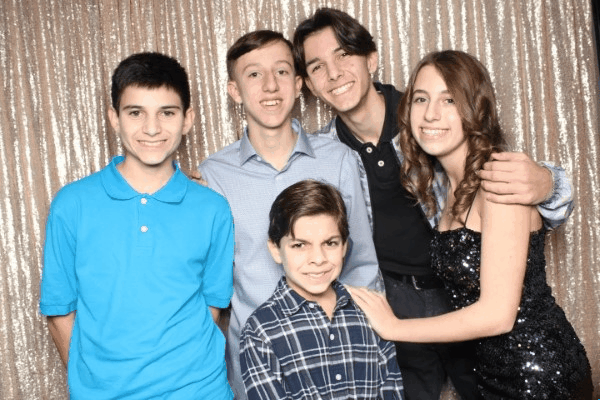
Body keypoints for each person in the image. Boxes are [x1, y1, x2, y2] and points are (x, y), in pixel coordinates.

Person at [293, 8, 574, 400]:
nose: (335, 73)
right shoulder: (322, 154)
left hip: (464, 295)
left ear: (371, 59)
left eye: (343, 55)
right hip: (396, 296)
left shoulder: (428, 119)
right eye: (318, 66)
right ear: (308, 83)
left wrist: (548, 182)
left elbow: (508, 180)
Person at [348, 50, 593, 399]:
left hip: (538, 375)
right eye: (421, 99)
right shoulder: (444, 185)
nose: (431, 114)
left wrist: (394, 327)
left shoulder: (499, 180)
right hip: (490, 372)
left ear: (475, 109)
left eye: (449, 100)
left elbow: (497, 315)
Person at [197, 30, 381, 399]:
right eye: (254, 74)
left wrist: (367, 349)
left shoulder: (339, 159)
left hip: (339, 362)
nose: (270, 86)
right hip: (259, 367)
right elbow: (209, 281)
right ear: (234, 91)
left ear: (298, 85)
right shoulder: (213, 175)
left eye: (281, 72)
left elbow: (362, 264)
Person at [39, 52, 234, 399]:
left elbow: (212, 306)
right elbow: (59, 309)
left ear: (187, 119)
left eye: (167, 112)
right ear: (114, 118)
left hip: (200, 390)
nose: (152, 128)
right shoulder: (72, 204)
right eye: (135, 113)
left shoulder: (213, 208)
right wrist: (94, 385)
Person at [240, 180, 404, 400]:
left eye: (330, 243)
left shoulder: (370, 311)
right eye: (299, 245)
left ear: (344, 246)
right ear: (276, 250)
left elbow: (391, 390)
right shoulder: (260, 330)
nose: (318, 259)